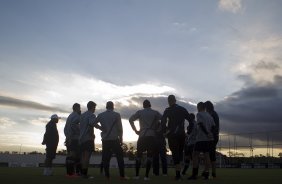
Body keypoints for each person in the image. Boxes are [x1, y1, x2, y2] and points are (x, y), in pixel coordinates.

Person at [93, 101, 128, 180]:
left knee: (105, 158)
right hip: (115, 139)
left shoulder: (101, 115)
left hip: (105, 140)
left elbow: (94, 123)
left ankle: (107, 176)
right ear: (113, 106)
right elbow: (120, 129)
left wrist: (101, 128)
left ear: (106, 106)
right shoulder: (116, 115)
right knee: (119, 157)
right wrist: (121, 138)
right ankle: (122, 176)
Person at [129, 99, 162, 181]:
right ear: (150, 105)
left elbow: (130, 119)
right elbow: (164, 119)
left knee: (139, 156)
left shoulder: (140, 112)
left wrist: (135, 130)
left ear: (143, 105)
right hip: (151, 136)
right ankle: (146, 176)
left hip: (142, 135)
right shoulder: (155, 112)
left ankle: (137, 175)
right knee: (149, 156)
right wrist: (159, 129)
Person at [161, 95, 191, 180]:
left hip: (172, 134)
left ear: (168, 101)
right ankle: (179, 173)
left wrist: (165, 131)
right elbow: (191, 121)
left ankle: (178, 174)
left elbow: (163, 122)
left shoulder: (168, 110)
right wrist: (188, 132)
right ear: (175, 100)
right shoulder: (182, 109)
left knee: (175, 153)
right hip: (181, 134)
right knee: (180, 153)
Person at [188, 102, 215, 180]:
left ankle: (194, 174)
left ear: (199, 107)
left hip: (201, 138)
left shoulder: (199, 114)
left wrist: (206, 133)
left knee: (195, 155)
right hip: (209, 139)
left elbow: (200, 124)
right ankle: (206, 174)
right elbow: (214, 126)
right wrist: (210, 133)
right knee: (207, 155)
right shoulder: (209, 116)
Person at [79, 101, 97, 179]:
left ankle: (82, 173)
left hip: (81, 139)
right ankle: (84, 174)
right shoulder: (92, 115)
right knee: (87, 157)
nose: (95, 109)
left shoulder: (82, 115)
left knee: (83, 157)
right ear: (92, 107)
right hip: (88, 138)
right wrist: (92, 134)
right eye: (94, 108)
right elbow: (91, 124)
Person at [64, 103, 81, 177]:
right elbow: (74, 124)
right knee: (75, 155)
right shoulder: (76, 115)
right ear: (77, 108)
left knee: (70, 155)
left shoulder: (70, 116)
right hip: (74, 138)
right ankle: (72, 173)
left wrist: (67, 137)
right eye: (79, 108)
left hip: (69, 138)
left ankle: (70, 173)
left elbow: (65, 128)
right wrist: (79, 132)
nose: (80, 109)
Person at [205, 101, 220, 178]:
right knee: (211, 154)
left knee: (209, 154)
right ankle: (211, 172)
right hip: (214, 136)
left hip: (212, 137)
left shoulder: (212, 114)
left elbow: (215, 127)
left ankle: (208, 172)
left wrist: (210, 133)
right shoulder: (214, 113)